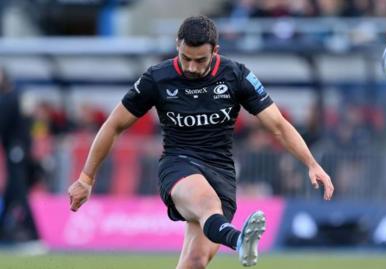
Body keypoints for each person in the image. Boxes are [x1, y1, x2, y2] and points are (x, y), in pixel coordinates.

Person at [68, 16, 334, 268]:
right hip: (178, 165)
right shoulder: (157, 78)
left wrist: (312, 164)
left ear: (215, 50)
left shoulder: (236, 75)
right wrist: (86, 179)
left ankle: (230, 235)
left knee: (194, 263)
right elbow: (114, 125)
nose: (192, 67)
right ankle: (239, 240)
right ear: (177, 46)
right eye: (186, 58)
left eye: (200, 60)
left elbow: (278, 126)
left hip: (221, 171)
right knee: (207, 204)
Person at [0, 67, 39, 243]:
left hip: (17, 150)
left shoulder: (14, 97)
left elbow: (23, 125)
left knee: (19, 191)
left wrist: (25, 147)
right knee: (10, 192)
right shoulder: (12, 97)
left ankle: (34, 234)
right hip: (13, 150)